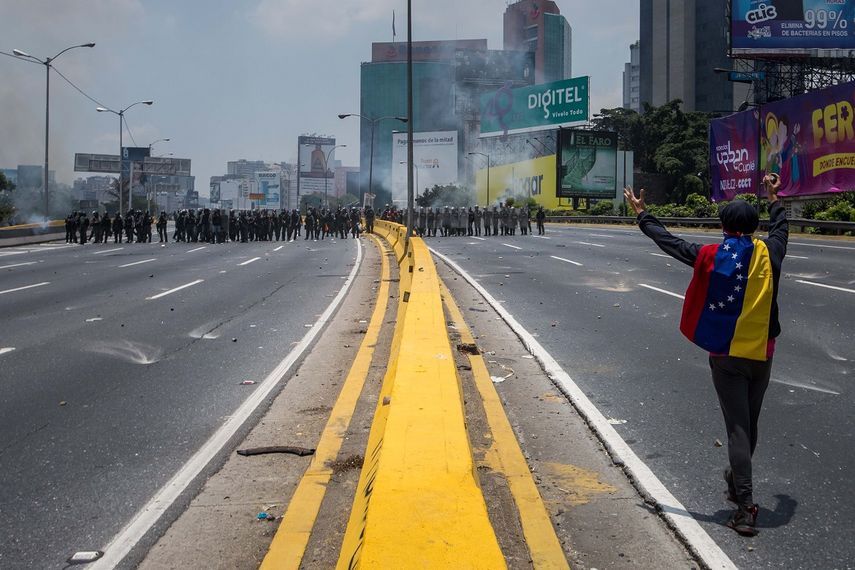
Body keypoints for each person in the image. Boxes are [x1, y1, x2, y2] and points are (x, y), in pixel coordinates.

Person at [624, 174, 788, 537]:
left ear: (723, 226)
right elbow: (781, 226)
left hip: (727, 356)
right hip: (763, 352)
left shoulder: (711, 255)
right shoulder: (770, 251)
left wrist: (643, 215)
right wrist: (774, 196)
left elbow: (671, 243)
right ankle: (735, 481)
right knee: (749, 423)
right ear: (754, 227)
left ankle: (745, 507)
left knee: (738, 428)